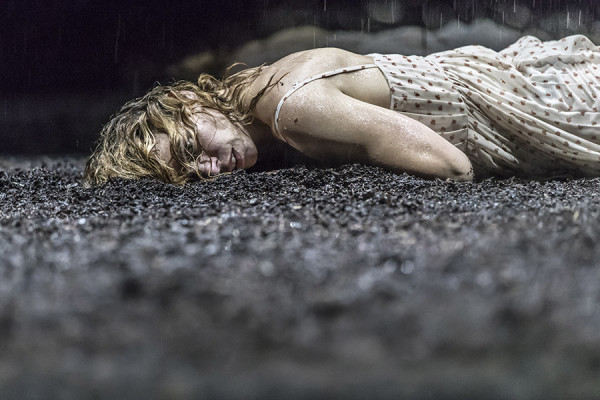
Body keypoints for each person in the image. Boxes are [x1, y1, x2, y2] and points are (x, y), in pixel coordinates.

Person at [83, 34, 600, 185]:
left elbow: (451, 165)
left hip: (535, 106)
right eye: (190, 172)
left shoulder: (290, 107)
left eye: (193, 147)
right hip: (514, 79)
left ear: (187, 101)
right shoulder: (260, 94)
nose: (208, 167)